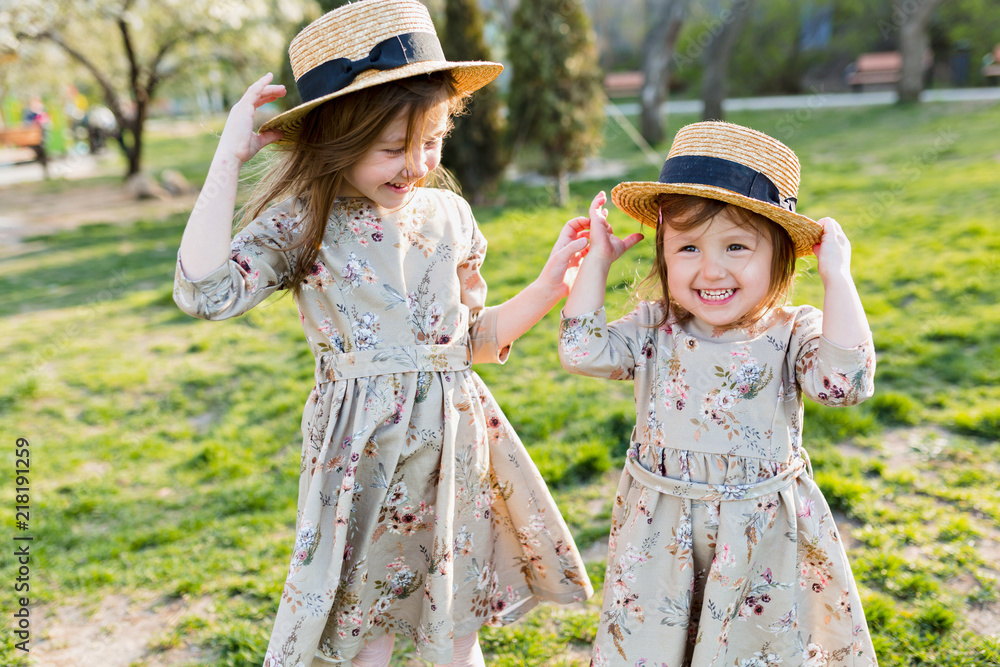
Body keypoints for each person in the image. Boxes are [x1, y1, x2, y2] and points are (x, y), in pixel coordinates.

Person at [173, 2, 593, 665]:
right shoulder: (305, 220)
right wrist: (229, 156)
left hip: (454, 448)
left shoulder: (450, 216)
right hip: (361, 461)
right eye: (393, 147)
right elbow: (205, 289)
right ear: (335, 138)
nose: (417, 164)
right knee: (362, 631)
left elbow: (470, 344)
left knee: (454, 627)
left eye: (432, 141)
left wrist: (549, 286)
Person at [559, 121, 877, 666]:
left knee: (750, 648)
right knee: (655, 644)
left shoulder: (791, 331)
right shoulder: (656, 325)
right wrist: (595, 263)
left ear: (778, 256)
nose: (711, 269)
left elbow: (845, 383)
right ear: (662, 254)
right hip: (660, 527)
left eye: (736, 246)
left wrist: (838, 279)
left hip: (759, 533)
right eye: (687, 247)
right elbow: (582, 350)